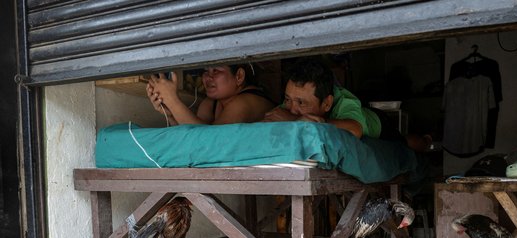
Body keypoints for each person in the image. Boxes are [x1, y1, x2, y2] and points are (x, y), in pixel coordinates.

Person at [262, 58, 381, 139]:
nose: (292, 109)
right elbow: (266, 122)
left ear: (327, 103)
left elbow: (354, 130)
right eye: (287, 99)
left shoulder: (345, 101)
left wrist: (295, 120)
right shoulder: (291, 104)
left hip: (381, 124)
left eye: (301, 102)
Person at [146, 64, 275, 126]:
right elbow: (193, 136)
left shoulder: (248, 101)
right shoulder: (210, 103)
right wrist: (170, 114)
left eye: (216, 71)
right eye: (206, 71)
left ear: (239, 76)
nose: (208, 77)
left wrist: (173, 101)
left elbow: (210, 140)